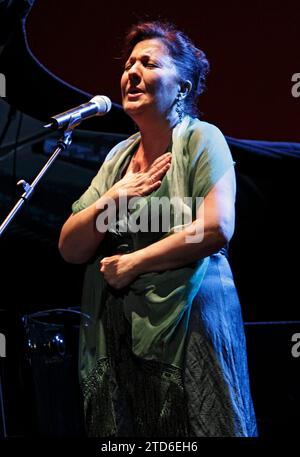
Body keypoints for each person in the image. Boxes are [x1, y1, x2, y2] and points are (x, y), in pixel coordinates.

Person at [58, 21, 257, 437]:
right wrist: (114, 199)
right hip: (119, 330)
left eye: (148, 63)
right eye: (129, 63)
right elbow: (71, 247)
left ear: (182, 87)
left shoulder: (203, 139)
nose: (131, 71)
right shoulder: (118, 158)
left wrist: (134, 263)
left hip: (192, 320)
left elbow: (217, 227)